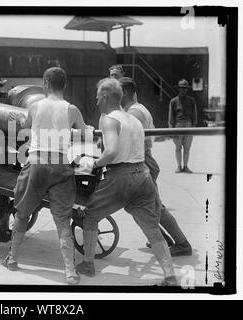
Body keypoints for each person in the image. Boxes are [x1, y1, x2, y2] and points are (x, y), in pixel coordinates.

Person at [75, 78, 177, 286]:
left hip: (121, 176)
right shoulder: (134, 120)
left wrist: (92, 164)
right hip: (143, 175)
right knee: (151, 227)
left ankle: (88, 264)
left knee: (91, 214)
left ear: (104, 97)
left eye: (97, 98)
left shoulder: (109, 119)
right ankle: (170, 276)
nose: (96, 102)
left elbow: (111, 151)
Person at [2, 67, 91, 285]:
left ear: (45, 83)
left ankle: (12, 259)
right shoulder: (72, 109)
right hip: (61, 165)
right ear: (65, 85)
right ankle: (70, 272)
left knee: (23, 213)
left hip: (37, 164)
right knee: (62, 220)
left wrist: (17, 118)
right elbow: (86, 133)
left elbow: (25, 125)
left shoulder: (35, 106)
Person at [120, 77, 192, 256]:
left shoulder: (134, 113)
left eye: (115, 93)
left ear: (125, 93)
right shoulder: (134, 109)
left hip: (142, 161)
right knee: (137, 206)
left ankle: (182, 244)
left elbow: (133, 144)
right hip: (141, 161)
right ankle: (161, 238)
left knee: (154, 207)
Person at [168, 79, 198, 173]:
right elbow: (170, 117)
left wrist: (193, 127)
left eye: (185, 88)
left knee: (187, 148)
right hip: (178, 126)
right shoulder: (173, 101)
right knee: (178, 148)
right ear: (179, 89)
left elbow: (194, 114)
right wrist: (171, 130)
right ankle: (178, 166)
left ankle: (185, 166)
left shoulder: (192, 101)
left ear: (187, 89)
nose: (183, 90)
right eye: (181, 88)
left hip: (189, 125)